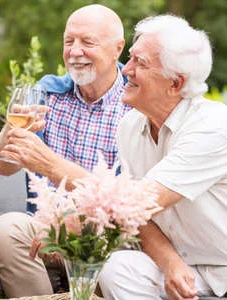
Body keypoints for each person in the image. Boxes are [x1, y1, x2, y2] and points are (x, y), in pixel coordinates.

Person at [0, 4, 130, 297]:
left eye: (87, 42)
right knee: (7, 228)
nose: (75, 51)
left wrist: (69, 221)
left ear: (117, 49)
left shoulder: (136, 105)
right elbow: (3, 167)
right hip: (42, 228)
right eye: (69, 41)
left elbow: (126, 201)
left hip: (106, 230)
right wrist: (10, 132)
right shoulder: (48, 93)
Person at [97, 15, 227, 299]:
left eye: (140, 63)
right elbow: (140, 219)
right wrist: (170, 262)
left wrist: (69, 216)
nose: (125, 69)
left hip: (224, 269)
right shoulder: (130, 126)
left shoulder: (214, 127)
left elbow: (138, 203)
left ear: (175, 83)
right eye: (130, 58)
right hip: (186, 264)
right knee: (117, 267)